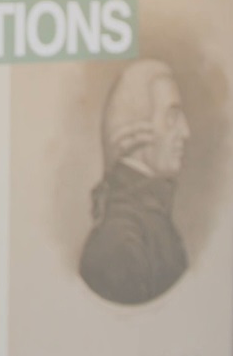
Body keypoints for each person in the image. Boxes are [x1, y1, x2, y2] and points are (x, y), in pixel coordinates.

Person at [79, 59, 190, 305]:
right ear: (136, 131)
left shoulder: (151, 220)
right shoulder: (120, 243)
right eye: (172, 117)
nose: (185, 131)